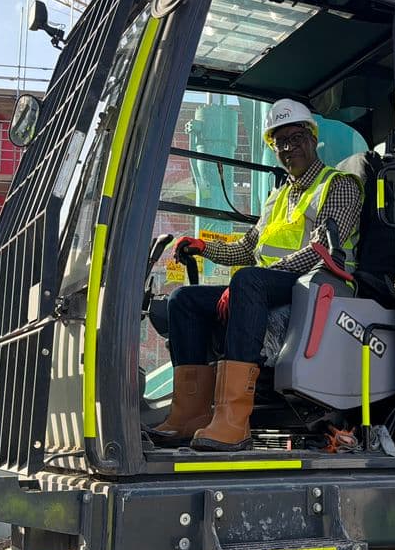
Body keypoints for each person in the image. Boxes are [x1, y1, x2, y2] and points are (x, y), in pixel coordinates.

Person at [147, 99, 363, 452]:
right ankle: (189, 416)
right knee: (183, 300)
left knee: (247, 280)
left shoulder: (338, 185)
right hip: (271, 285)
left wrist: (251, 280)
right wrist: (204, 247)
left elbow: (323, 251)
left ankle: (234, 421)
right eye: (281, 143)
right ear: (273, 149)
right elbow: (247, 249)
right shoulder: (277, 197)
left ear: (312, 138)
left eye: (296, 138)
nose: (290, 148)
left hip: (320, 285)